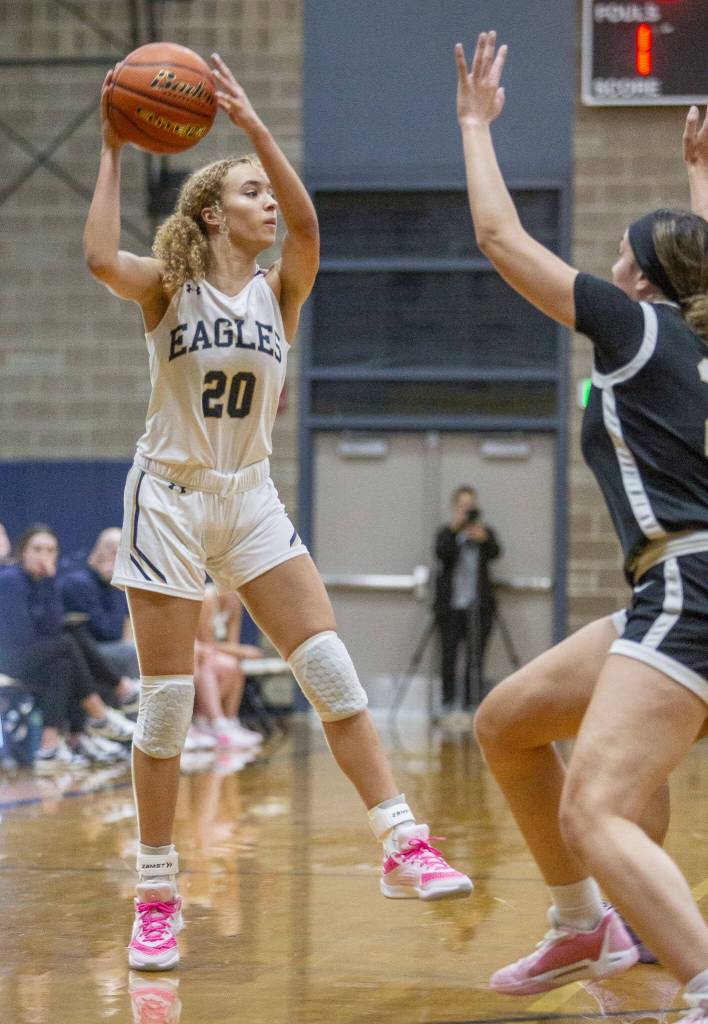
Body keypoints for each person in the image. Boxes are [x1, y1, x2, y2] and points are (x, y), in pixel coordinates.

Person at [84, 53, 472, 972]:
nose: (268, 202)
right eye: (249, 191)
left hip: (248, 494)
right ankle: (155, 891)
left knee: (332, 673)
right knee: (169, 715)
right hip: (170, 498)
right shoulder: (166, 289)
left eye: (267, 190)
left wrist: (258, 130)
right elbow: (101, 256)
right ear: (213, 212)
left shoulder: (280, 290)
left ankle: (400, 839)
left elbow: (307, 222)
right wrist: (109, 145)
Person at [455, 32, 708, 1019]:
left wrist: (477, 128)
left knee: (594, 806)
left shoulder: (632, 325)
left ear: (638, 279)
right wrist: (697, 171)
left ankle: (696, 971)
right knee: (509, 723)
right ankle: (583, 922)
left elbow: (500, 240)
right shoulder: (688, 330)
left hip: (689, 584)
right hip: (669, 588)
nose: (607, 263)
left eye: (620, 256)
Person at [0, 525, 135, 770]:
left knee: (62, 663)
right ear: (23, 552)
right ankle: (104, 708)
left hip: (35, 656)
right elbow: (22, 633)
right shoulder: (11, 579)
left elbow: (52, 625)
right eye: (37, 549)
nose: (44, 556)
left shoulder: (43, 582)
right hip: (8, 656)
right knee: (66, 643)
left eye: (51, 550)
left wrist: (49, 582)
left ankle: (49, 747)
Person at [434, 485, 501, 711]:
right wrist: (456, 531)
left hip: (478, 607)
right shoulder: (447, 533)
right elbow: (440, 553)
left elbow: (496, 552)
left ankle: (471, 703)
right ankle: (447, 702)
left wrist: (482, 538)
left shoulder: (484, 533)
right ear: (454, 509)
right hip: (451, 608)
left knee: (476, 657)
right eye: (462, 507)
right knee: (449, 656)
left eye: (470, 506)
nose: (467, 511)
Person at [61, 527, 140, 686]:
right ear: (107, 551)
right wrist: (115, 586)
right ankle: (133, 706)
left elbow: (123, 628)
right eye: (120, 554)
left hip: (106, 647)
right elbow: (107, 632)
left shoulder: (107, 582)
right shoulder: (78, 582)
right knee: (132, 653)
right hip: (86, 651)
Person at [191, 585, 263, 751]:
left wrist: (238, 652)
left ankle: (229, 721)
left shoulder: (236, 603)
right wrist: (243, 651)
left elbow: (231, 643)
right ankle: (216, 722)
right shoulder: (207, 598)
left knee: (233, 664)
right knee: (214, 662)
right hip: (199, 651)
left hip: (214, 653)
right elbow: (206, 642)